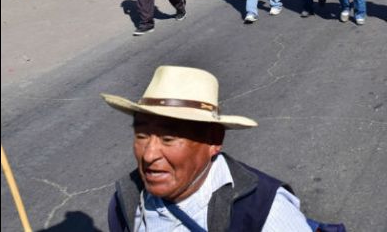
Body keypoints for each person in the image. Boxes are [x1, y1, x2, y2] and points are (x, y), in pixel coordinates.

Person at [102, 65, 313, 231]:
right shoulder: (126, 201)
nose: (149, 155)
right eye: (141, 135)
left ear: (213, 141)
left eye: (168, 138)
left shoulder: (264, 212)